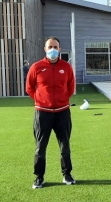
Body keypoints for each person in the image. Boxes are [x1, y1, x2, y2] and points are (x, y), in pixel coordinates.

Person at [26, 37, 76, 189]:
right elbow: (29, 88)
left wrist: (61, 101)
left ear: (60, 49)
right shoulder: (36, 67)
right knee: (40, 147)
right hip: (42, 113)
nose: (52, 49)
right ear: (45, 48)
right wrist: (42, 101)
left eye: (55, 46)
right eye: (50, 46)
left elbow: (70, 87)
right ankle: (39, 177)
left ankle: (67, 174)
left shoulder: (66, 67)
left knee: (65, 145)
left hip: (62, 112)